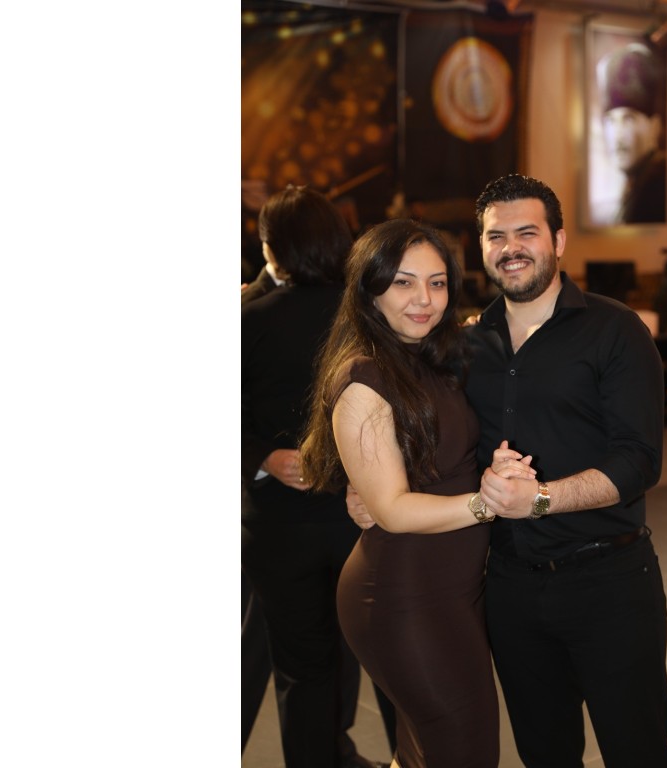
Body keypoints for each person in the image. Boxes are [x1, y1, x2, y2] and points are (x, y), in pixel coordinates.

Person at [347, 175, 667, 766]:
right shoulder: (461, 343)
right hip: (508, 588)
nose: (511, 247)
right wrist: (363, 481)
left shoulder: (615, 330)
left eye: (527, 232)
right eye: (497, 236)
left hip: (609, 580)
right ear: (481, 247)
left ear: (559, 241)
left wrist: (540, 498)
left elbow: (639, 460)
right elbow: (411, 418)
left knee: (638, 751)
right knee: (543, 754)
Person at [299, 218, 536, 768]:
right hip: (403, 595)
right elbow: (392, 509)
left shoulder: (423, 357)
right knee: (463, 751)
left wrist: (493, 470)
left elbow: (433, 462)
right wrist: (487, 503)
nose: (423, 299)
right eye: (403, 282)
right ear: (370, 288)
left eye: (437, 282)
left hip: (449, 590)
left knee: (424, 754)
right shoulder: (363, 377)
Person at [241, 185, 394, 768]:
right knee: (391, 662)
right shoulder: (369, 315)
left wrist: (264, 456)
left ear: (274, 248)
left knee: (302, 669)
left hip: (279, 526)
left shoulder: (248, 318)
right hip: (367, 514)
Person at [597, 42, 667, 224]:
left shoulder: (655, 186)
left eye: (628, 119)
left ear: (655, 126)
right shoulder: (635, 184)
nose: (618, 137)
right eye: (611, 121)